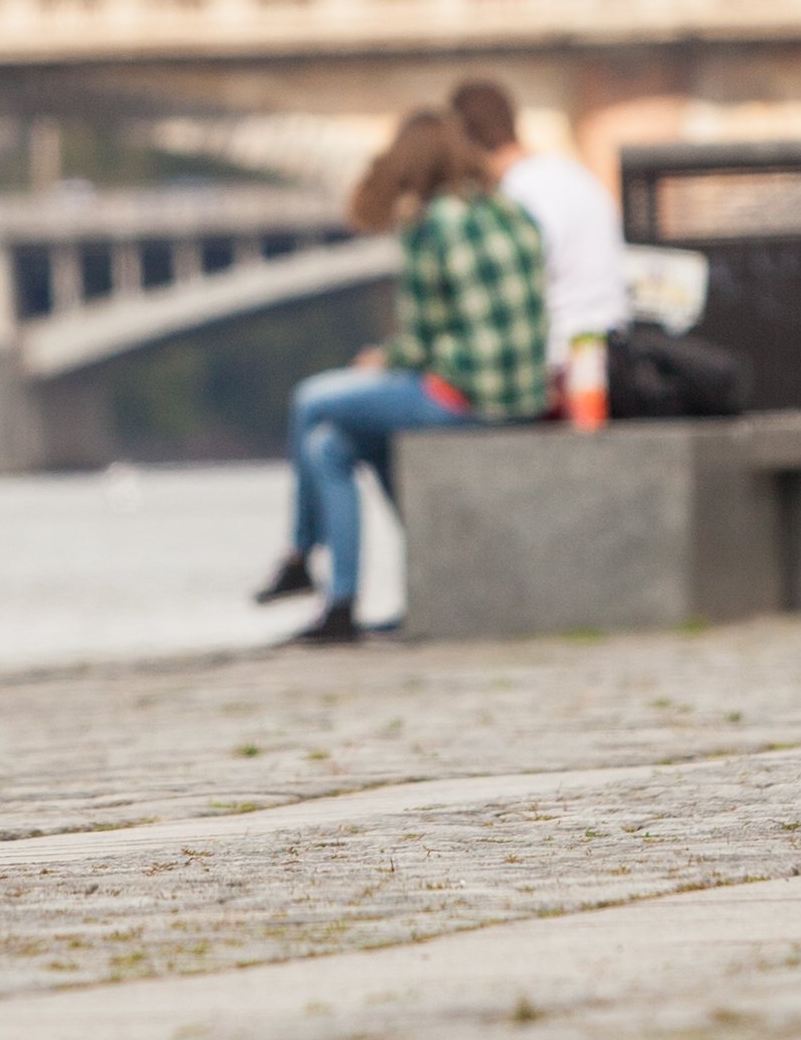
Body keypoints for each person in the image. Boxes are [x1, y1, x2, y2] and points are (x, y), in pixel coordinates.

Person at [260, 106, 556, 645]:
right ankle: (339, 607)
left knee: (313, 399)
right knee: (329, 447)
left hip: (465, 398)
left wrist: (383, 360)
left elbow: (422, 345)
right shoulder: (512, 210)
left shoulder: (432, 225)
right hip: (524, 394)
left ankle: (303, 557)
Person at [450, 78, 623, 369]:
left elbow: (508, 296)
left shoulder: (516, 196)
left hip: (561, 358)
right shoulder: (574, 174)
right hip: (613, 347)